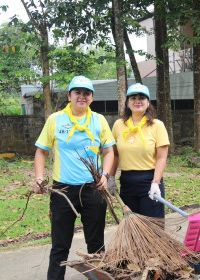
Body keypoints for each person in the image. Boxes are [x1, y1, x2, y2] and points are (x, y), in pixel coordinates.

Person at [32, 75, 115, 280]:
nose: (82, 96)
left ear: (92, 98)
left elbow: (109, 151)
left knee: (96, 245)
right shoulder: (55, 119)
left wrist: (105, 175)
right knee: (60, 245)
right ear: (69, 96)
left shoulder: (99, 120)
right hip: (63, 191)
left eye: (86, 93)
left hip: (94, 188)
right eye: (77, 92)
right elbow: (41, 150)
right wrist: (39, 177)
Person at [107, 83, 170, 218]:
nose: (137, 101)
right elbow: (115, 154)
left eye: (142, 97)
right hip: (127, 182)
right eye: (133, 98)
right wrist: (110, 177)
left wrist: (155, 183)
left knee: (153, 229)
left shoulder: (157, 125)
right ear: (127, 103)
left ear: (148, 103)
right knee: (133, 228)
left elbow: (162, 157)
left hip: (150, 181)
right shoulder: (119, 125)